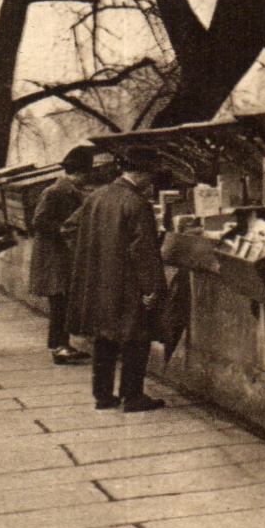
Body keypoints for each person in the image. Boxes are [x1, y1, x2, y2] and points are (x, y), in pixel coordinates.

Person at [63, 145, 168, 412]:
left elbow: (70, 229)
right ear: (143, 173)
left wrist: (92, 260)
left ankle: (103, 395)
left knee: (105, 337)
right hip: (127, 282)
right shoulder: (136, 203)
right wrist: (151, 288)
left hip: (100, 280)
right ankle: (132, 396)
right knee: (136, 337)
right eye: (151, 176)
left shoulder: (96, 197)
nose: (151, 182)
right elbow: (142, 251)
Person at [30, 145, 97, 365]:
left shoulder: (67, 191)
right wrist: (61, 229)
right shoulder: (54, 192)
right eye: (87, 173)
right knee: (59, 303)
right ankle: (59, 347)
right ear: (79, 172)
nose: (88, 179)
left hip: (62, 255)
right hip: (54, 257)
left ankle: (62, 345)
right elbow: (38, 221)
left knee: (64, 302)